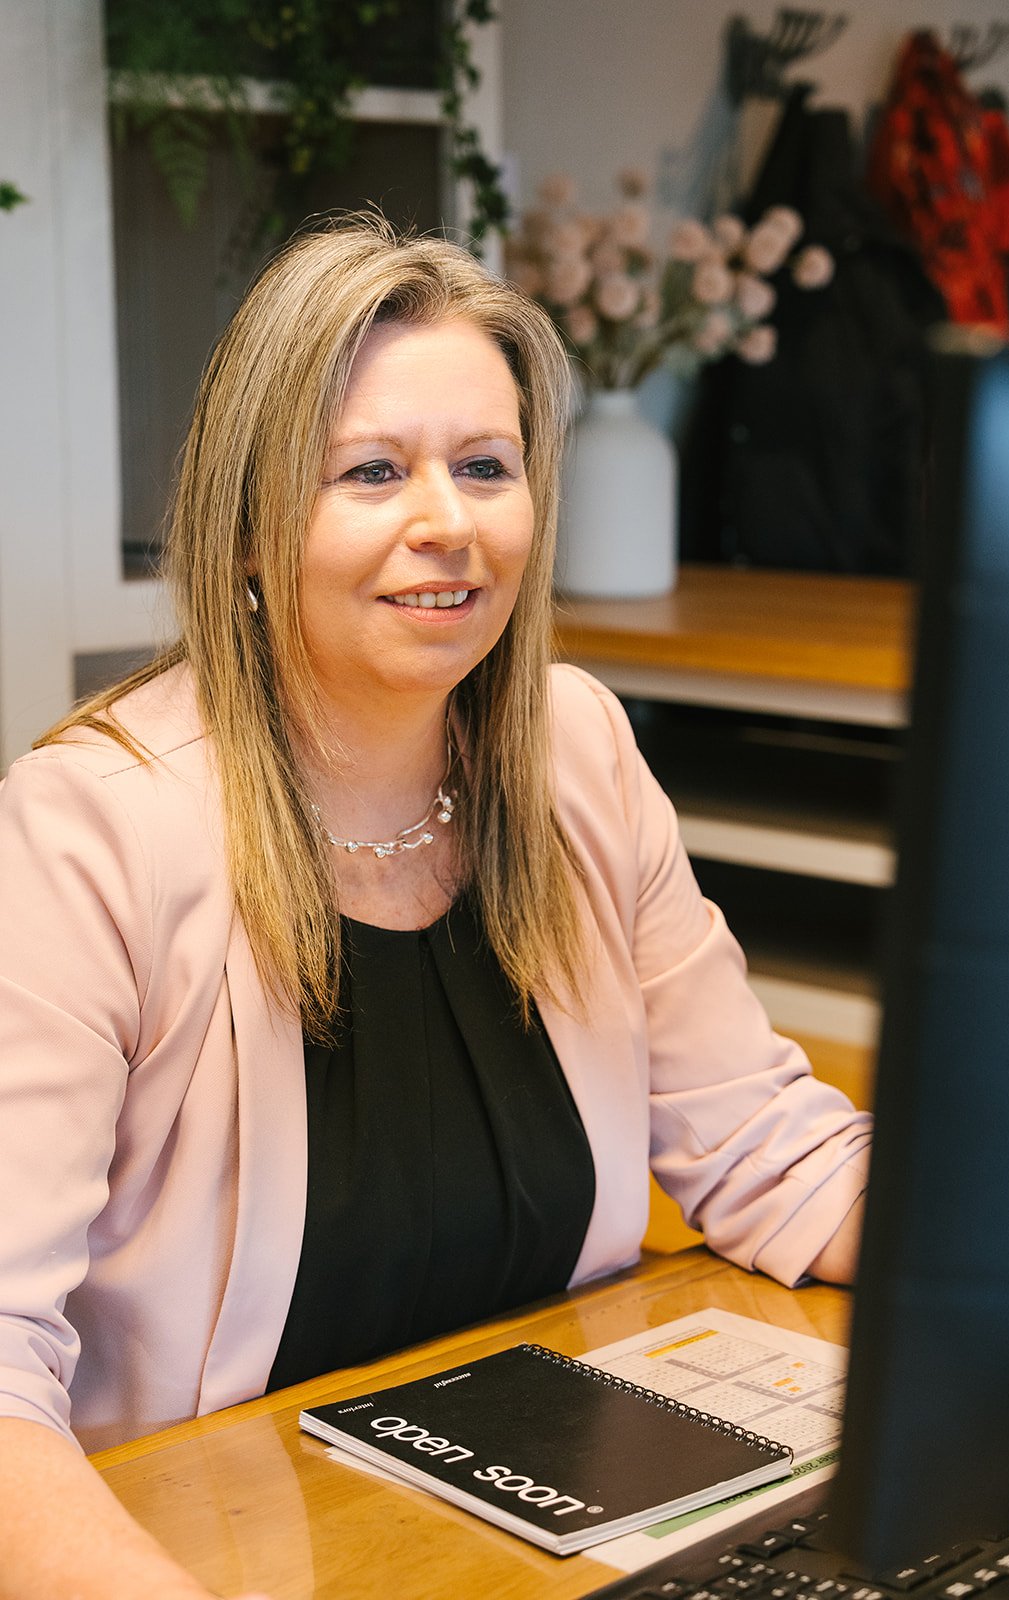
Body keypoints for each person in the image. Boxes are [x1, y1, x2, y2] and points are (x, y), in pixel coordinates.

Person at [0, 214, 870, 1599]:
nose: (449, 523)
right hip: (212, 1551)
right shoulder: (89, 828)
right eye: (371, 471)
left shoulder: (575, 749)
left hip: (552, 1532)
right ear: (246, 528)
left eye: (484, 466)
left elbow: (769, 1145)